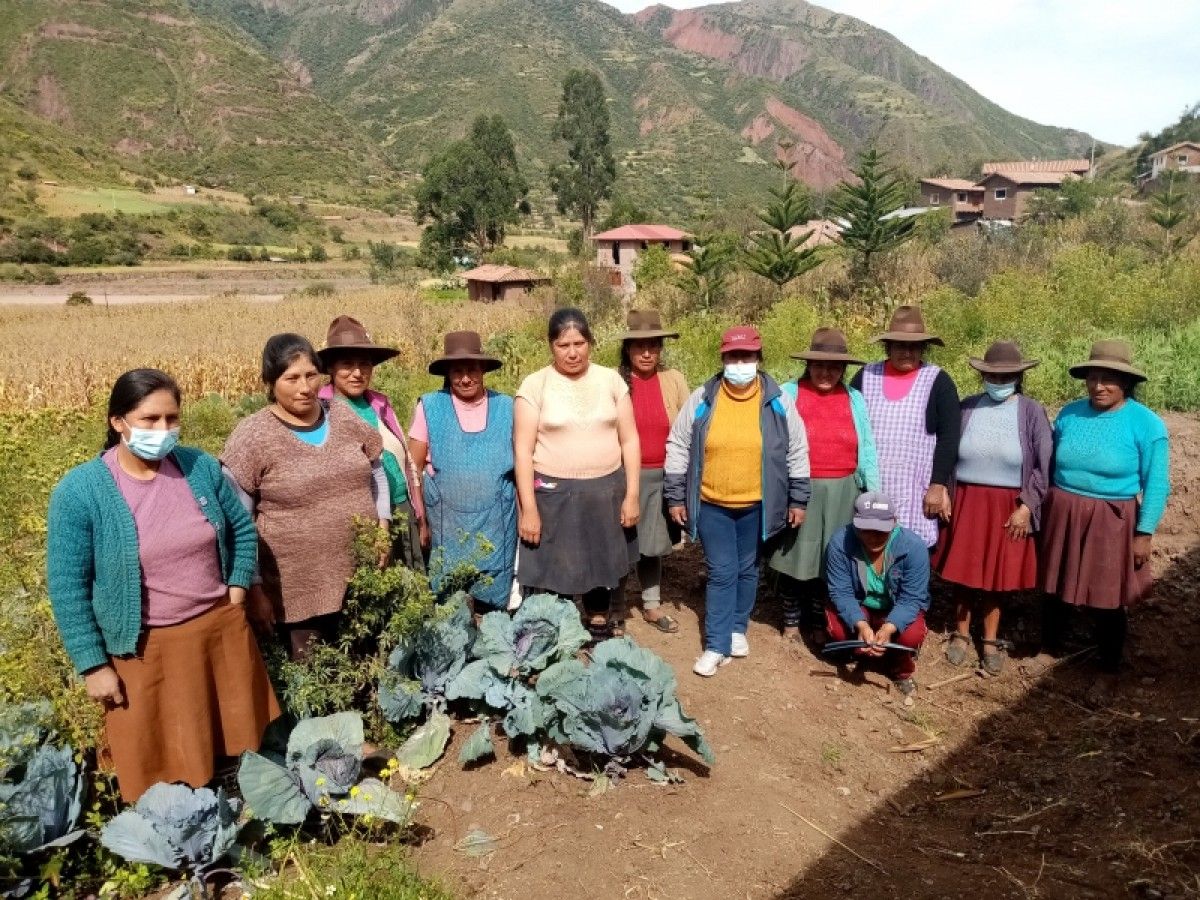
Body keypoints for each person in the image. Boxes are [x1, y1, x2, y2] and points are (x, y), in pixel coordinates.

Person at [46, 369, 279, 802]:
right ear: (118, 421)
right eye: (150, 419)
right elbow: (68, 587)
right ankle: (179, 840)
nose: (164, 429)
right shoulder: (82, 491)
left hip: (217, 631)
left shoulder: (197, 467)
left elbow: (241, 531)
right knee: (159, 755)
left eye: (172, 418)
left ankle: (235, 812)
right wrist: (93, 665)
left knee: (231, 736)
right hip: (144, 648)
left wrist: (237, 590)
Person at [222, 333, 390, 660]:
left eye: (311, 375)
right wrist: (253, 587)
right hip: (296, 589)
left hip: (360, 575)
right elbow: (238, 521)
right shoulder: (253, 435)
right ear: (270, 382)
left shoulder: (342, 414)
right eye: (291, 378)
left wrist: (382, 526)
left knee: (366, 664)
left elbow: (377, 470)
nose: (305, 387)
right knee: (315, 680)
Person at [665, 325, 811, 677]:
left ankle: (737, 628)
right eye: (733, 356)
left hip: (758, 505)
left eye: (746, 356)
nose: (740, 362)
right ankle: (716, 645)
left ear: (759, 359)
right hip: (713, 501)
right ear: (723, 358)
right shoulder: (703, 398)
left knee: (748, 569)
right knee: (721, 571)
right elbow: (679, 444)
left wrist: (798, 498)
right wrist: (675, 495)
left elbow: (797, 450)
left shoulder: (777, 401)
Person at [1037, 340, 1169, 705]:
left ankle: (1107, 670)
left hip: (1112, 517)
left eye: (1108, 379)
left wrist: (1144, 532)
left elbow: (1157, 482)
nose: (1098, 386)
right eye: (1092, 378)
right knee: (1054, 583)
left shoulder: (1146, 424)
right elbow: (1049, 465)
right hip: (1063, 509)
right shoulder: (1069, 413)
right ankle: (1049, 648)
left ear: (1126, 383)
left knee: (1108, 597)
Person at [514, 308, 641, 638]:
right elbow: (523, 452)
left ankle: (599, 628)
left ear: (591, 343)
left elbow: (630, 440)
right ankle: (560, 638)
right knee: (557, 570)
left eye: (579, 343)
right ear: (551, 346)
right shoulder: (535, 385)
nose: (572, 352)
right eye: (563, 344)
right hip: (553, 494)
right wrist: (528, 508)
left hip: (606, 490)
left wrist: (632, 495)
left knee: (601, 565)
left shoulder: (611, 381)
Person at [934, 341, 1052, 675]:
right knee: (964, 573)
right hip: (968, 499)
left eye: (1006, 376)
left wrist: (1027, 505)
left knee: (997, 577)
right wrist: (942, 488)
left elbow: (1044, 466)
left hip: (1009, 505)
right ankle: (959, 634)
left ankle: (989, 638)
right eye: (992, 375)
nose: (998, 382)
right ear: (982, 374)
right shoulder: (968, 407)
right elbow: (946, 450)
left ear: (1017, 376)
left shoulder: (1031, 412)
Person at [770, 328, 879, 646]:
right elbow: (775, 444)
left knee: (829, 559)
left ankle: (819, 618)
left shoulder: (853, 398)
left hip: (843, 490)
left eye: (834, 367)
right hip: (800, 490)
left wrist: (873, 492)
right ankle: (791, 621)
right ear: (809, 364)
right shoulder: (789, 393)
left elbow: (867, 448)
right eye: (819, 365)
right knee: (793, 555)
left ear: (844, 369)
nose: (826, 372)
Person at [408, 331, 516, 611]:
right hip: (446, 522)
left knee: (493, 599)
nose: (466, 378)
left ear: (483, 371)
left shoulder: (507, 406)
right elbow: (413, 467)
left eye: (472, 370)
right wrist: (421, 519)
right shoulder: (430, 406)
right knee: (449, 599)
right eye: (457, 371)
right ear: (447, 373)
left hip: (497, 521)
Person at [317, 315, 426, 572]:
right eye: (347, 364)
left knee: (410, 582)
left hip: (400, 505)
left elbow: (406, 459)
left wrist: (419, 513)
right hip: (362, 517)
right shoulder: (321, 408)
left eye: (364, 364)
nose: (357, 372)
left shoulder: (379, 403)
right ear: (331, 368)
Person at [850, 306, 959, 548]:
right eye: (899, 345)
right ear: (888, 347)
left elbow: (949, 438)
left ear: (923, 348)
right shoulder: (866, 376)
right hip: (871, 484)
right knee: (869, 545)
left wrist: (937, 485)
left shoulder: (938, 381)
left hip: (915, 487)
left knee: (910, 550)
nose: (907, 351)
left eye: (914, 346)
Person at [619, 310, 690, 634]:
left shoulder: (673, 379)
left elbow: (689, 426)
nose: (647, 353)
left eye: (653, 346)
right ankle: (614, 607)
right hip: (623, 476)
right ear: (628, 350)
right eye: (639, 347)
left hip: (662, 474)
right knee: (620, 542)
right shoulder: (615, 382)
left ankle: (650, 604)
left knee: (652, 541)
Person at [824, 492, 930, 695]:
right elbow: (841, 591)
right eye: (866, 530)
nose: (873, 537)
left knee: (910, 636)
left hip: (895, 606)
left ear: (894, 523)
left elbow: (911, 598)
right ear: (855, 524)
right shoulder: (840, 543)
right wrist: (860, 623)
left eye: (881, 531)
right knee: (838, 630)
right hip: (860, 603)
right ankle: (856, 650)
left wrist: (890, 628)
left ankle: (900, 667)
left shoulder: (914, 548)